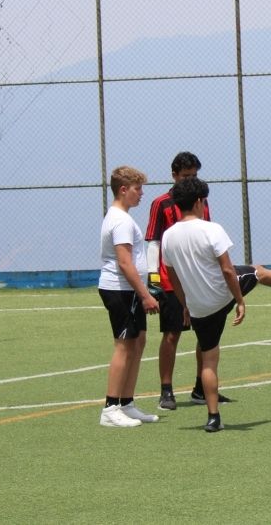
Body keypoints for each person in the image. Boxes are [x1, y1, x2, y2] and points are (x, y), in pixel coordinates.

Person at [160, 177, 271, 432]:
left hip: (198, 306)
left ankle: (213, 418)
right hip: (221, 295)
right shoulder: (211, 229)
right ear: (199, 201)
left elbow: (173, 276)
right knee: (257, 271)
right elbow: (227, 270)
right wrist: (240, 300)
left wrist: (185, 304)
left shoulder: (168, 237)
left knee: (209, 360)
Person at [144, 151, 232, 410]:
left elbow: (207, 238)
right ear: (174, 176)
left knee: (205, 334)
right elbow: (154, 242)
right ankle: (166, 390)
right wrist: (153, 277)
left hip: (198, 278)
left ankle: (201, 389)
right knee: (172, 334)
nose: (190, 180)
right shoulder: (161, 203)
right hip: (171, 280)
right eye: (185, 176)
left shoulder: (201, 200)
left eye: (194, 175)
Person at [98, 165, 161, 428]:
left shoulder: (122, 217)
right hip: (120, 290)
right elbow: (125, 263)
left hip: (129, 291)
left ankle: (126, 403)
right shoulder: (121, 221)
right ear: (123, 190)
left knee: (138, 342)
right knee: (124, 345)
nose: (141, 193)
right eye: (137, 188)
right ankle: (110, 408)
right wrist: (146, 295)